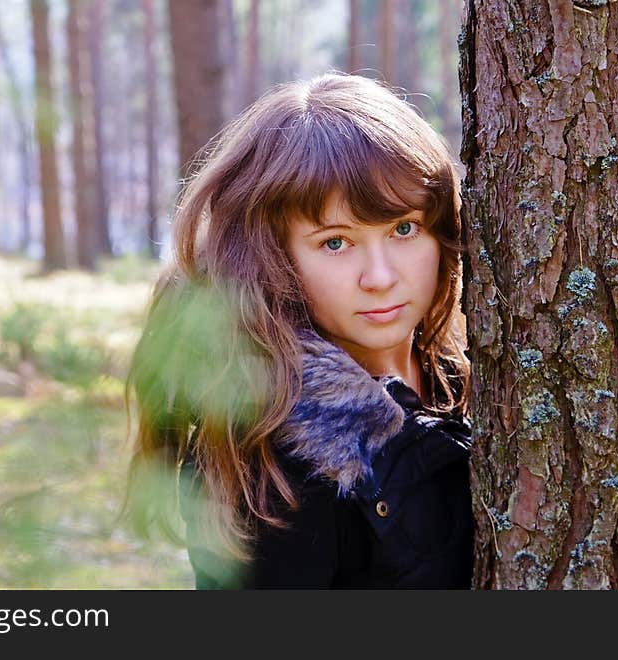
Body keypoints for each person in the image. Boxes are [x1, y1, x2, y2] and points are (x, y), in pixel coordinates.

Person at [125, 73, 473, 589]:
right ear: (272, 258)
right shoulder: (272, 459)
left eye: (404, 229)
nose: (380, 278)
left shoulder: (461, 372)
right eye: (336, 242)